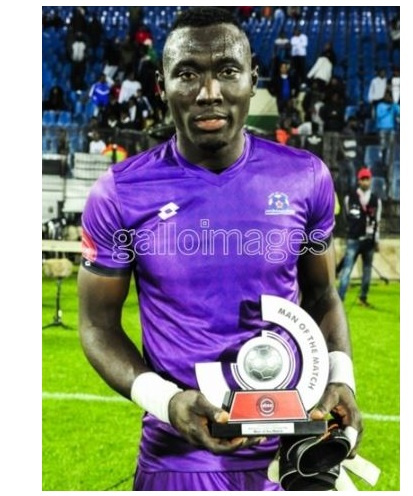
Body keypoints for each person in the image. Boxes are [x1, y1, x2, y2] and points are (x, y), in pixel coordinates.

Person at [78, 7, 362, 492]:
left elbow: (322, 297)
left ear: (253, 79)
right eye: (188, 74)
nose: (209, 93)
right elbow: (97, 325)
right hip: (177, 462)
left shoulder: (305, 177)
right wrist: (166, 401)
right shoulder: (121, 193)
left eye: (227, 71)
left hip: (292, 456)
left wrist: (341, 375)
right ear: (161, 86)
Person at [337, 167, 382, 306]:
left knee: (367, 271)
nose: (365, 181)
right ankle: (339, 300)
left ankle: (363, 298)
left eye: (367, 179)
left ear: (370, 180)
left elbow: (378, 221)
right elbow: (345, 216)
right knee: (347, 270)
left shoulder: (376, 200)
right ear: (358, 180)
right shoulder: (349, 197)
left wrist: (377, 240)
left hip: (369, 240)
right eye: (363, 179)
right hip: (354, 239)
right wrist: (352, 229)